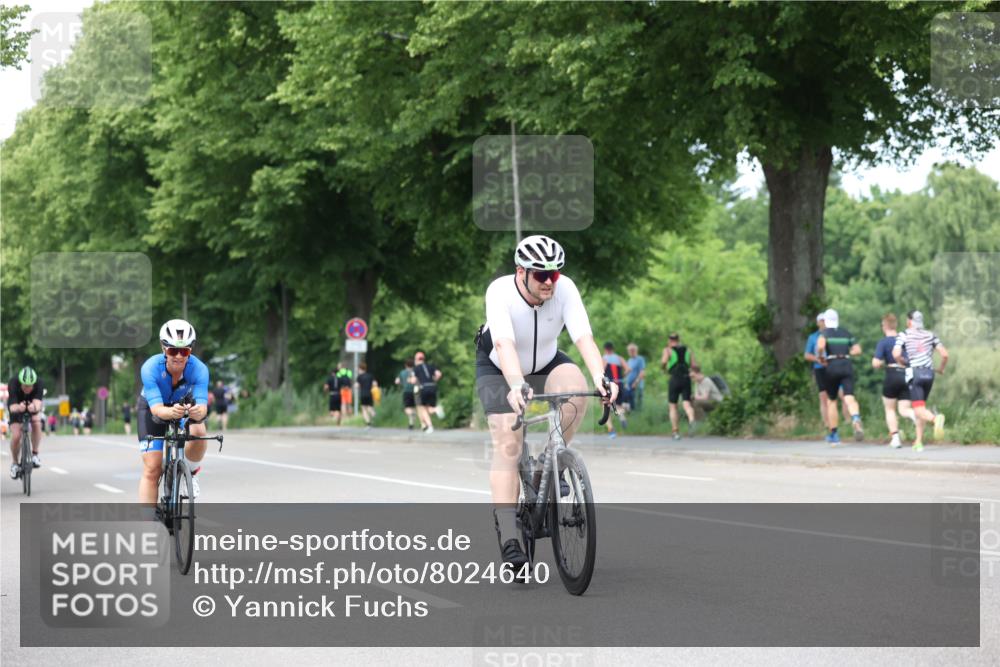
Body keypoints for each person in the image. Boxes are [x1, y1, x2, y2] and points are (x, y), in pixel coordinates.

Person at [476, 235, 617, 568]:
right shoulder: (499, 291)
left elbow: (584, 337)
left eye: (555, 273)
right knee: (508, 444)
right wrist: (515, 385)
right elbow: (505, 343)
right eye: (542, 274)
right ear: (521, 271)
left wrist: (602, 378)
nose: (550, 282)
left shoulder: (564, 288)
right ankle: (510, 535)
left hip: (546, 360)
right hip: (500, 366)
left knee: (577, 391)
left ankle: (548, 464)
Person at [137, 319, 210, 503]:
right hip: (154, 407)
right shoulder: (150, 368)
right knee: (152, 469)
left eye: (184, 351)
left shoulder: (199, 369)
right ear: (163, 349)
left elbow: (202, 410)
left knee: (199, 431)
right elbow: (157, 410)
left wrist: (196, 412)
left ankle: (191, 472)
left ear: (190, 351)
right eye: (172, 350)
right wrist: (171, 413)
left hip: (183, 405)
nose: (178, 356)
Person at [893, 310, 948, 451]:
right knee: (920, 408)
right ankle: (918, 442)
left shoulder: (904, 334)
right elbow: (945, 354)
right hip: (929, 374)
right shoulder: (931, 335)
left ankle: (936, 419)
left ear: (909, 321)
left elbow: (896, 353)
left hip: (915, 373)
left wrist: (901, 361)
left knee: (918, 409)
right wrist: (941, 369)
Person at [816, 308, 864, 445]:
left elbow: (820, 346)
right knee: (849, 397)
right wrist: (847, 353)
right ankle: (855, 417)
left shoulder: (824, 333)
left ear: (825, 321)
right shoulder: (846, 333)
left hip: (832, 365)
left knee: (832, 400)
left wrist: (820, 357)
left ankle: (834, 434)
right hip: (846, 364)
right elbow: (858, 350)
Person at [872, 313, 916, 449]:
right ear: (895, 325)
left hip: (892, 375)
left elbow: (875, 362)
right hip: (907, 374)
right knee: (904, 409)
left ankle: (895, 439)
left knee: (890, 408)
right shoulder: (905, 339)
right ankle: (915, 416)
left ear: (884, 326)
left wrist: (879, 364)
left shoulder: (883, 342)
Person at [7, 366, 44, 479]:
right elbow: (12, 407)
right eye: (25, 386)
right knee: (17, 435)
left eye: (30, 386)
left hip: (31, 405)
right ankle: (14, 463)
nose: (27, 388)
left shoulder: (39, 383)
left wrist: (34, 407)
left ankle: (35, 454)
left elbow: (38, 403)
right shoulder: (13, 382)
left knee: (37, 422)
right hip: (17, 406)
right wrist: (19, 407)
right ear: (20, 382)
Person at [660, 333, 696, 440]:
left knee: (673, 406)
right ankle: (691, 420)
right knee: (687, 404)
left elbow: (663, 362)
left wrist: (664, 369)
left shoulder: (667, 350)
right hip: (686, 378)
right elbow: (694, 365)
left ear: (669, 340)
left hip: (674, 379)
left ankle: (675, 432)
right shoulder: (688, 350)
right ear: (678, 340)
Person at [601, 342, 628, 437]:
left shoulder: (604, 358)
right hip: (619, 384)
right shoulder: (619, 358)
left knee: (605, 406)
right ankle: (622, 416)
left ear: (605, 349)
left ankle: (611, 430)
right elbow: (628, 369)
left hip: (609, 385)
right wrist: (622, 376)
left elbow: (601, 371)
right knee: (618, 405)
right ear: (613, 348)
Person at [413, 351, 442, 433]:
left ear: (417, 359)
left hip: (424, 388)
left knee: (422, 408)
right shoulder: (430, 366)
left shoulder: (416, 368)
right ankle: (435, 412)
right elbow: (439, 374)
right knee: (428, 408)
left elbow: (413, 380)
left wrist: (411, 381)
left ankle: (430, 425)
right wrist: (434, 380)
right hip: (432, 387)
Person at [624, 342, 647, 412]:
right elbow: (627, 373)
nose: (629, 352)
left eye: (631, 350)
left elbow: (642, 372)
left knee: (637, 402)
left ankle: (638, 417)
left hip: (636, 385)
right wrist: (625, 382)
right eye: (628, 351)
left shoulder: (640, 359)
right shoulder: (629, 360)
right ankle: (631, 415)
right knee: (629, 402)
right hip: (629, 385)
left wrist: (636, 382)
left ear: (634, 350)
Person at [395, 359, 418, 429]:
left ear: (406, 365)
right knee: (413, 407)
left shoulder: (402, 372)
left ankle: (411, 419)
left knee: (407, 408)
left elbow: (397, 381)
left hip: (406, 391)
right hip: (416, 391)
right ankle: (411, 424)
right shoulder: (415, 371)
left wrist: (402, 383)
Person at [355, 363, 378, 429]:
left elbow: (356, 386)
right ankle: (374, 415)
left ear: (360, 368)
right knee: (370, 407)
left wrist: (359, 385)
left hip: (363, 394)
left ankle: (368, 424)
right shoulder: (370, 376)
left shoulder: (359, 377)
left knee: (364, 409)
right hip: (369, 393)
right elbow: (375, 384)